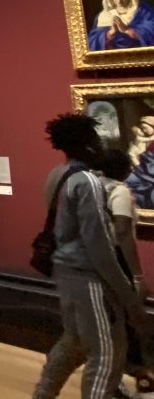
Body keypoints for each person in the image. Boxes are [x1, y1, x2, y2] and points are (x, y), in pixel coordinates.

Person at [33, 113, 148, 399]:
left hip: (65, 271)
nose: (100, 143)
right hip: (87, 275)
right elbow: (98, 244)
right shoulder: (86, 181)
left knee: (73, 342)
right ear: (87, 144)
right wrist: (127, 293)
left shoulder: (57, 175)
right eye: (96, 138)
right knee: (108, 350)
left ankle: (43, 394)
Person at [100, 148, 154, 398]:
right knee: (132, 319)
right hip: (118, 260)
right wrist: (138, 277)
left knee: (114, 322)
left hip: (97, 259)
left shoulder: (94, 187)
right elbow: (122, 231)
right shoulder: (119, 191)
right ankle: (139, 371)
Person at [88, 0, 154, 51]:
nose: (119, 1)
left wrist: (127, 30)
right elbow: (92, 42)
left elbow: (151, 31)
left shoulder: (142, 11)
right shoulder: (104, 16)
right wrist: (110, 33)